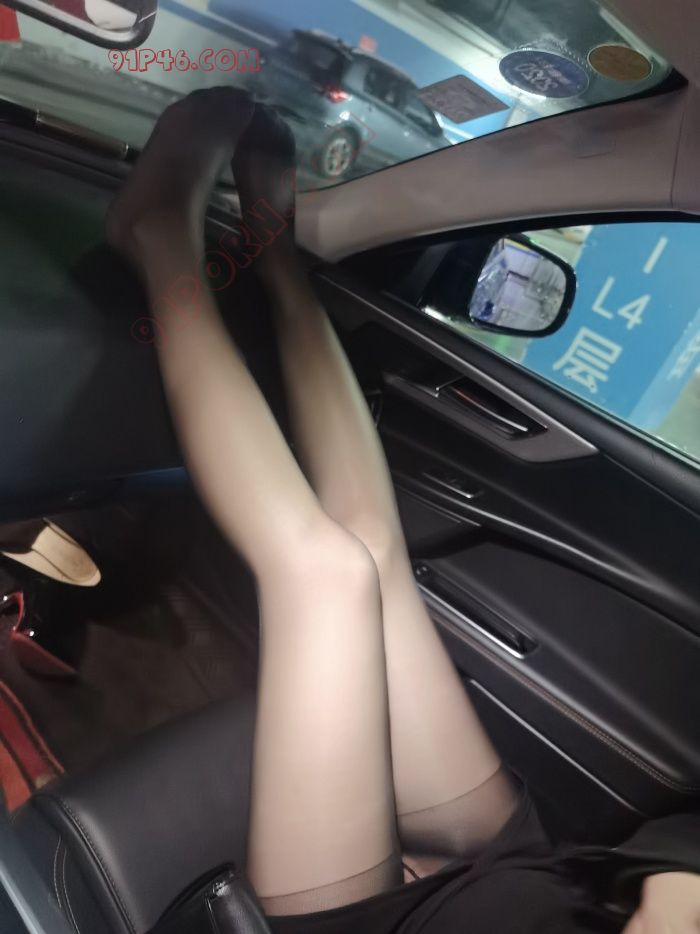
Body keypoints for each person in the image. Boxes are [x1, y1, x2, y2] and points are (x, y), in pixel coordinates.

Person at [106, 87, 700, 934]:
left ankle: (158, 234)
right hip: (539, 886)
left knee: (327, 574)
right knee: (374, 548)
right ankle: (278, 258)